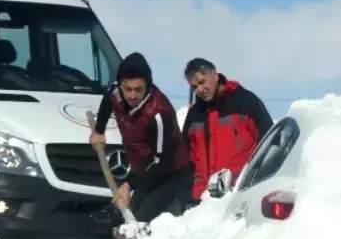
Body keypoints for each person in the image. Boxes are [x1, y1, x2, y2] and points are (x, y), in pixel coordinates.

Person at [90, 52, 192, 226]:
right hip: (144, 170)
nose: (132, 95)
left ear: (148, 86)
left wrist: (128, 184)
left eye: (138, 89)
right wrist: (99, 130)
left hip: (169, 171)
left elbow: (160, 162)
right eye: (127, 88)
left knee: (141, 220)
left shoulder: (159, 113)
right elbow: (109, 100)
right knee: (127, 216)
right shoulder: (116, 92)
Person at [181, 57, 274, 201]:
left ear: (215, 74)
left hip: (239, 194)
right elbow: (185, 159)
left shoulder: (246, 102)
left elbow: (270, 143)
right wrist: (188, 194)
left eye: (201, 82)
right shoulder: (194, 115)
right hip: (201, 201)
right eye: (194, 87)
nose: (199, 89)